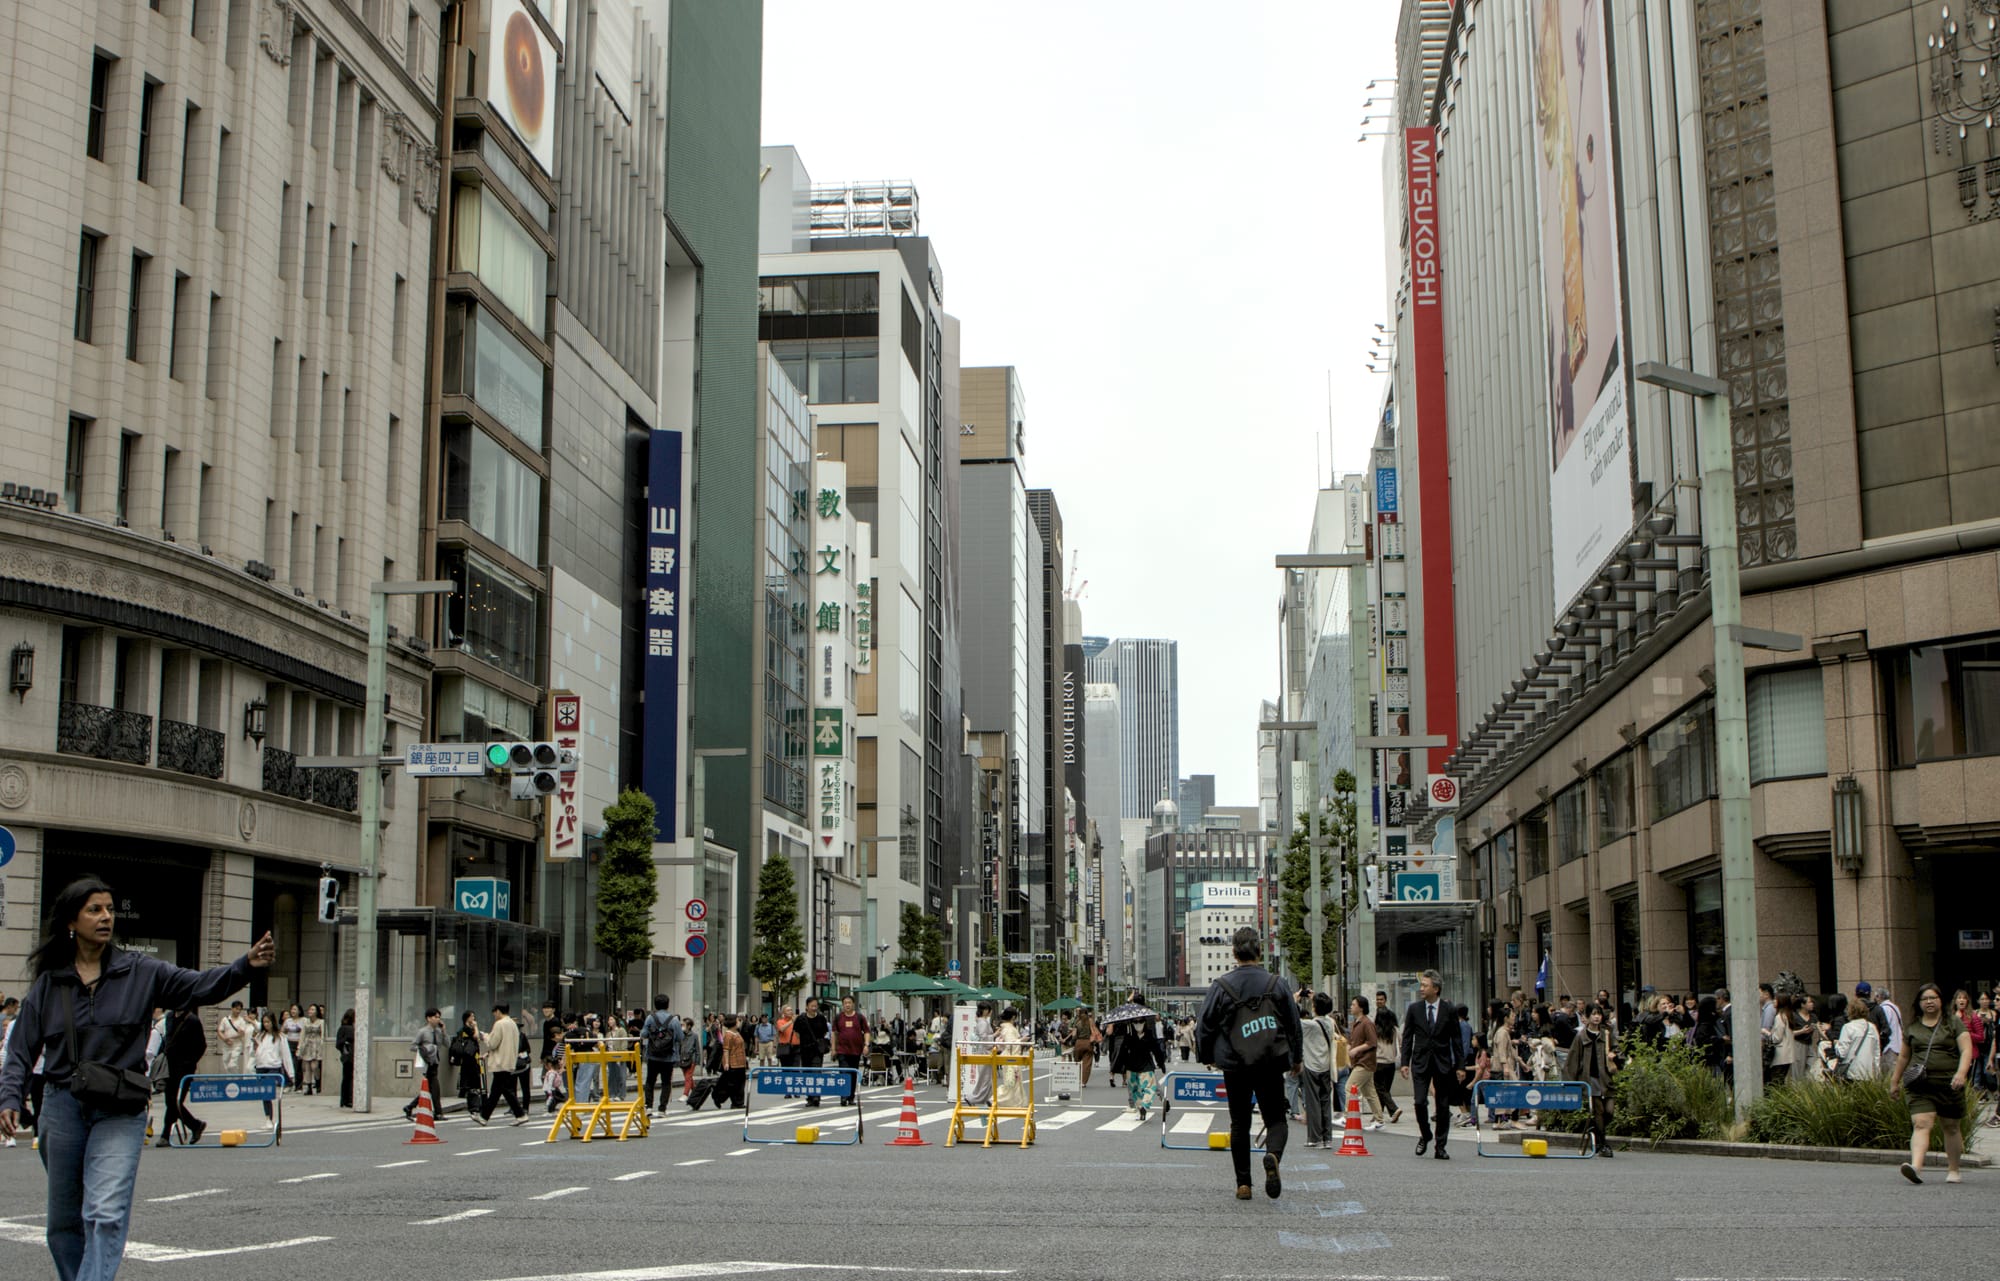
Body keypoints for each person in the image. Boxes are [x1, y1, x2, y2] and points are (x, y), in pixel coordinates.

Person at [0, 878, 274, 1280]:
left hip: (120, 1106)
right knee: (63, 1223)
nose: (106, 917)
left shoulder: (141, 971)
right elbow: (21, 1048)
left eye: (110, 909)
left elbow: (199, 986)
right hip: (61, 1109)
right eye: (94, 909)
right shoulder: (50, 982)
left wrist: (244, 966)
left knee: (106, 1212)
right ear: (72, 921)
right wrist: (10, 1097)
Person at [1196, 927, 1302, 1202]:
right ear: (1259, 950)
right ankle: (1272, 1155)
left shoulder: (1222, 985)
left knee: (1239, 1123)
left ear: (1234, 953)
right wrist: (1297, 1058)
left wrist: (1207, 1056)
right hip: (1270, 1061)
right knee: (1276, 1119)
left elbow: (1204, 1025)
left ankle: (1243, 1184)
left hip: (1235, 1063)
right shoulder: (1276, 983)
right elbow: (1293, 1024)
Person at [1891, 982, 1973, 1184]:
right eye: (1924, 999)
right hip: (1920, 1085)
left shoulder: (1953, 1023)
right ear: (1919, 1003)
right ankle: (1916, 1167)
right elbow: (1903, 1057)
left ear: (1941, 1001)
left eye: (1933, 998)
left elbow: (1966, 1050)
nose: (1929, 1002)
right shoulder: (1913, 1027)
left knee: (1951, 1126)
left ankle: (1954, 1170)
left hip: (1949, 1084)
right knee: (1921, 1123)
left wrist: (1961, 1073)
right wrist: (1895, 1081)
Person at [1399, 968, 1468, 1160]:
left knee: (1443, 1106)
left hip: (1442, 1063)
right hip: (1420, 1062)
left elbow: (1456, 1039)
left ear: (1436, 989)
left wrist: (1460, 1066)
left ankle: (1440, 1146)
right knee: (1419, 1101)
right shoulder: (1414, 1009)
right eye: (1421, 985)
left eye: (1425, 985)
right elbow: (1407, 1037)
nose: (1421, 988)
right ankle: (1426, 1133)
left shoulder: (1449, 1010)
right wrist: (1404, 1062)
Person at [1563, 1001, 1618, 1157]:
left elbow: (1619, 1050)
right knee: (1598, 1110)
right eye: (1593, 1014)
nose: (1596, 1017)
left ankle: (1594, 1128)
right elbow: (1572, 1061)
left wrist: (1614, 1054)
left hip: (1606, 1078)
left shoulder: (1607, 1034)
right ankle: (1603, 1144)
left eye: (1598, 1014)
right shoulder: (1581, 1036)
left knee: (1609, 1111)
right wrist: (1570, 1084)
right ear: (1586, 1017)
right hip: (1589, 1079)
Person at [150, 1008, 206, 1149]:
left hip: (184, 1069)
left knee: (175, 1101)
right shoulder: (169, 1017)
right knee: (171, 1101)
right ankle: (195, 1125)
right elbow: (167, 1039)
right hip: (169, 1066)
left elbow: (201, 1045)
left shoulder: (192, 1020)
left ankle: (166, 1135)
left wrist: (189, 1062)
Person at [1108, 998, 1168, 1120]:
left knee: (1149, 1087)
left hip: (1146, 1065)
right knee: (1136, 1090)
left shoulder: (1148, 1034)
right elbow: (1122, 1052)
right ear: (1132, 1023)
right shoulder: (1129, 1035)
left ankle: (1144, 1107)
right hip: (1132, 1066)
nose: (1138, 1023)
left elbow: (1156, 1050)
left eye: (1140, 1021)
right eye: (1135, 1022)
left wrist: (1161, 1064)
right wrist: (1117, 1067)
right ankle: (1141, 1107)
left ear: (1144, 1022)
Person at [1298, 993, 1337, 1147]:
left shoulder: (1310, 1025)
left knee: (1313, 1102)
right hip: (1326, 1066)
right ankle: (1327, 1138)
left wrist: (1296, 999)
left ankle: (1315, 1138)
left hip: (1311, 1065)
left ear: (1314, 1007)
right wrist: (1316, 998)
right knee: (1325, 1101)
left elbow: (1293, 1019)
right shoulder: (1330, 1022)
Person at [478, 1003, 527, 1125]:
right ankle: (485, 1116)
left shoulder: (499, 1024)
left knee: (499, 1090)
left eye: (494, 1013)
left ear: (498, 1011)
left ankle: (519, 1114)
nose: (494, 1015)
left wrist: (485, 1037)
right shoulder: (513, 1024)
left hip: (500, 1061)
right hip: (509, 1061)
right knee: (501, 1090)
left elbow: (492, 1043)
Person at [1345, 996, 1390, 1128]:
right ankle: (1379, 1120)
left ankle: (1348, 1116)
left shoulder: (1367, 1023)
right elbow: (1352, 1041)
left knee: (1350, 1088)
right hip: (1360, 1062)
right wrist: (1349, 1048)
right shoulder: (1356, 1023)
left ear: (1361, 1008)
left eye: (1354, 1005)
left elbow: (1372, 1042)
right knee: (1370, 1093)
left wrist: (1356, 1049)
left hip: (1365, 1062)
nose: (1351, 1007)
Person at [640, 996, 681, 1117]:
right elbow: (680, 1037)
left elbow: (644, 1034)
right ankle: (662, 1109)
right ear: (668, 1005)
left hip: (652, 1055)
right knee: (666, 1082)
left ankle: (648, 1107)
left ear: (655, 1005)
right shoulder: (674, 1020)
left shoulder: (650, 1018)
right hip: (668, 1056)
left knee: (650, 1081)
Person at [405, 1008, 444, 1121]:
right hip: (427, 1063)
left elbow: (446, 1043)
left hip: (435, 1061)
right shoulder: (422, 1032)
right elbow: (413, 1046)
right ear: (428, 1018)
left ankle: (410, 1107)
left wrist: (444, 1031)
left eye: (439, 1017)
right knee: (435, 1088)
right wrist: (425, 1049)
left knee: (429, 1089)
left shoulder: (438, 1031)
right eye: (435, 1017)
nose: (438, 1019)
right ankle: (438, 1113)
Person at [793, 997, 831, 1108]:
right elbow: (797, 1033)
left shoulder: (821, 1018)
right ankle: (809, 1097)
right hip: (805, 1049)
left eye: (815, 1006)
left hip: (817, 1050)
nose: (814, 1008)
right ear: (807, 1006)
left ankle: (816, 1097)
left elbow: (825, 1032)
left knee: (816, 1072)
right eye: (812, 1006)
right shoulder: (801, 1019)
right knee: (807, 1073)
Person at [1831, 999, 1881, 1083]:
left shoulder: (1847, 1027)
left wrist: (1836, 1044)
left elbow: (1842, 1053)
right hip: (1869, 1073)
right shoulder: (1872, 1027)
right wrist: (1876, 1073)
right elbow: (1877, 1053)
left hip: (1852, 1072)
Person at [832, 995, 869, 1105]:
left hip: (856, 1051)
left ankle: (851, 1097)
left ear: (853, 1004)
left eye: (849, 1003)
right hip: (842, 1050)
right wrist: (833, 1049)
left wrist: (866, 1045)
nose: (847, 1005)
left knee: (853, 1074)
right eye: (845, 1003)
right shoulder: (838, 1017)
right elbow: (834, 1033)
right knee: (844, 1073)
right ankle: (843, 1097)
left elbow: (866, 1032)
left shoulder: (860, 1017)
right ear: (842, 1005)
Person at [992, 1007, 1029, 1109]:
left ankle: (1015, 1103)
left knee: (1011, 1082)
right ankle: (996, 1099)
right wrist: (1021, 1040)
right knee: (1011, 1083)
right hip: (1011, 1058)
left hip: (1009, 1057)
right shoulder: (1009, 1029)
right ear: (1013, 1017)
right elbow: (1010, 1044)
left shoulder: (1004, 1028)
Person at [1371, 991, 1400, 1119]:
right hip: (1391, 1062)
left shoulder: (1375, 1030)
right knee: (1385, 1090)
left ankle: (1393, 1109)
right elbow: (1401, 1041)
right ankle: (1380, 1114)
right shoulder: (1394, 1030)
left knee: (1380, 1089)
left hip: (1379, 1062)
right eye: (1377, 999)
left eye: (1381, 999)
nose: (1379, 1001)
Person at [714, 1015, 749, 1110]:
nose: (739, 1022)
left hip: (741, 1062)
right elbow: (726, 1049)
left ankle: (739, 1102)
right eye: (738, 1021)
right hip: (733, 1063)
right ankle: (735, 1102)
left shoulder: (737, 1033)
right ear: (733, 1022)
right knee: (733, 1085)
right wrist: (726, 1063)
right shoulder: (728, 1035)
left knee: (741, 1084)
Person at [216, 1000, 253, 1074]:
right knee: (226, 1063)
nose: (238, 1011)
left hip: (237, 1045)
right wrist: (225, 1039)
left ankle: (236, 1078)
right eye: (236, 1009)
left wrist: (229, 1037)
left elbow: (241, 1034)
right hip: (226, 1045)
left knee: (232, 1064)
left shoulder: (242, 1021)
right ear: (232, 1008)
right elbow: (219, 1031)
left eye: (240, 1009)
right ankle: (230, 1079)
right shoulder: (225, 1019)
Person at [294, 1005, 324, 1096]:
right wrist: (299, 1047)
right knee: (307, 1067)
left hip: (316, 1045)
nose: (310, 1011)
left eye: (312, 1009)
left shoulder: (321, 1022)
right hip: (307, 1045)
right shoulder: (306, 1022)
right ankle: (309, 1087)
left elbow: (323, 1035)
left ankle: (318, 1083)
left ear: (317, 1011)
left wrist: (322, 1046)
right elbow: (302, 1035)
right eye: (309, 1009)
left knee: (315, 1066)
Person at [1072, 1009, 1099, 1087]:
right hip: (1088, 1043)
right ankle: (1083, 1082)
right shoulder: (1090, 1021)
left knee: (1077, 1062)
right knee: (1086, 1064)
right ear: (1087, 1013)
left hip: (1078, 1043)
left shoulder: (1077, 1021)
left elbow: (1074, 1034)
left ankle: (1077, 1079)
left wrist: (1073, 1042)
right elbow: (1095, 1032)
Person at [334, 1009, 356, 1108]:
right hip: (350, 1055)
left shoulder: (344, 1028)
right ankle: (348, 1099)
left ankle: (345, 1099)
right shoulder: (348, 1029)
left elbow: (338, 1044)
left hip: (347, 1056)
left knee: (347, 1077)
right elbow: (339, 1044)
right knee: (349, 1077)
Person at [280, 1004, 304, 1090]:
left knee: (297, 1065)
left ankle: (298, 1086)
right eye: (292, 1009)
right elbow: (281, 1031)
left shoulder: (303, 1020)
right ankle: (288, 1083)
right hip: (289, 1043)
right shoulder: (288, 1021)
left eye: (295, 1009)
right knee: (287, 1063)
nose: (293, 1011)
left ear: (299, 1011)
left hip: (299, 1043)